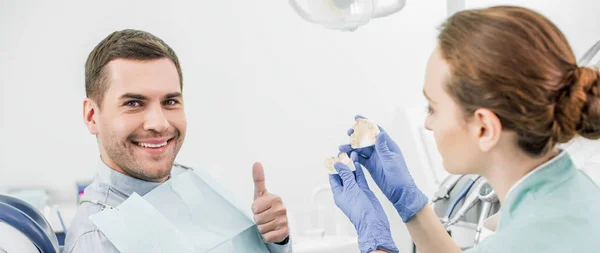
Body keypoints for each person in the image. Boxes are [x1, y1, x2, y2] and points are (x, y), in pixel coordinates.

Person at [329, 6, 600, 253]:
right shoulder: (576, 193)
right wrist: (411, 206)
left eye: (432, 108)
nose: (427, 123)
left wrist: (374, 239)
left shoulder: (526, 240)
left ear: (484, 129)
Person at [64, 29, 291, 253]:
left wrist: (276, 240)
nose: (160, 123)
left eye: (170, 101)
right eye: (133, 103)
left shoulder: (190, 181)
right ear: (92, 116)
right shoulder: (98, 240)